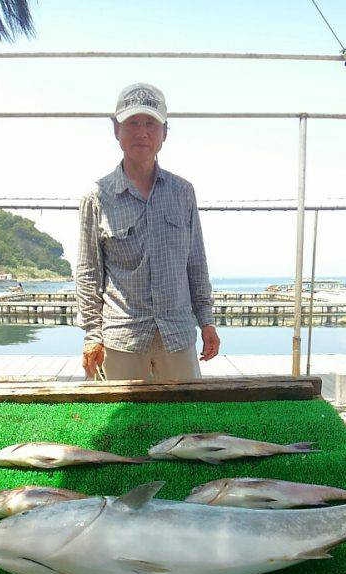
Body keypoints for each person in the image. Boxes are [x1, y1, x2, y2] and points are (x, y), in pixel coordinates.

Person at [76, 82, 220, 381]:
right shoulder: (97, 197)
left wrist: (206, 321)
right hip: (122, 340)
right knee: (119, 424)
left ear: (165, 133)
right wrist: (92, 334)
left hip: (178, 335)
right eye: (133, 123)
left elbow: (196, 263)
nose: (142, 132)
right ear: (116, 130)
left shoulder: (183, 192)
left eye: (151, 124)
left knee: (186, 421)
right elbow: (89, 273)